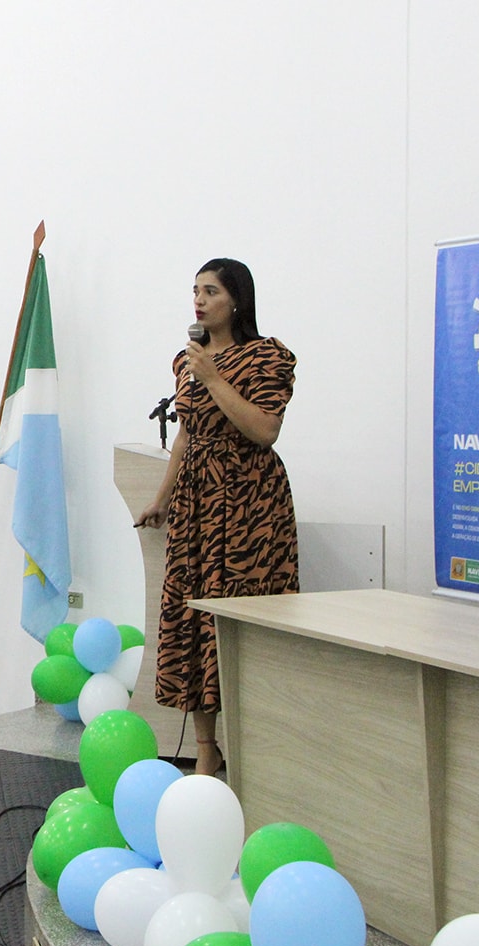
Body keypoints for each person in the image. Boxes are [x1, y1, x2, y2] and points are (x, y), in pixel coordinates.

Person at [133, 258, 299, 777]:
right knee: (193, 619)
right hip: (198, 502)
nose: (199, 301)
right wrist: (162, 497)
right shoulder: (186, 361)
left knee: (243, 619)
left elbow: (264, 430)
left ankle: (259, 743)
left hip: (250, 504)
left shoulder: (268, 357)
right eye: (195, 291)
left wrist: (213, 375)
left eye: (210, 291)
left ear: (236, 301)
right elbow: (185, 433)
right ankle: (206, 746)